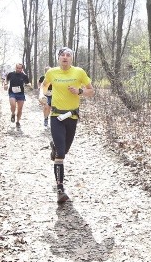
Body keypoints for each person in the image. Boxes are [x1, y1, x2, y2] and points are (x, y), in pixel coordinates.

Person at [40, 47, 94, 204]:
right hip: (56, 116)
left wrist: (80, 91)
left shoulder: (79, 72)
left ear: (72, 58)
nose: (65, 57)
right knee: (61, 155)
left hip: (72, 116)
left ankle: (55, 147)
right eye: (62, 55)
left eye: (68, 55)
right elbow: (44, 86)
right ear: (58, 58)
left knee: (64, 149)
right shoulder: (52, 73)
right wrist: (44, 96)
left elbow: (91, 91)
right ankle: (60, 189)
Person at [6, 63, 30, 127]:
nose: (18, 69)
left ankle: (18, 122)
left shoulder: (24, 76)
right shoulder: (11, 74)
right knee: (13, 105)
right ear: (15, 68)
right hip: (12, 92)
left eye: (20, 68)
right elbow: (6, 80)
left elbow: (27, 83)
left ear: (22, 69)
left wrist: (29, 85)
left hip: (20, 94)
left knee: (20, 109)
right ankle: (13, 114)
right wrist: (5, 84)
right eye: (17, 68)